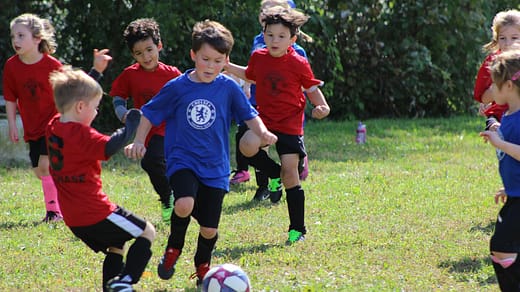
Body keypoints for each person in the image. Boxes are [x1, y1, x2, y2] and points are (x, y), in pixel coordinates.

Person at [124, 20, 277, 287]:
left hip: (216, 166)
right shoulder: (177, 86)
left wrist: (263, 133)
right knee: (184, 204)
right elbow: (148, 113)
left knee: (209, 228)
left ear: (226, 60)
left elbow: (250, 115)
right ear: (193, 55)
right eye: (205, 59)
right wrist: (139, 141)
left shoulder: (228, 87)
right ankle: (173, 249)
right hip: (183, 160)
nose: (210, 66)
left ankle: (202, 266)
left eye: (218, 61)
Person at [225, 6, 330, 244]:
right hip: (265, 121)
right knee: (246, 145)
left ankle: (297, 229)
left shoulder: (298, 62)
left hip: (290, 125)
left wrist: (322, 107)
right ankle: (273, 174)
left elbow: (311, 88)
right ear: (263, 35)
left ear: (292, 40)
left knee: (291, 174)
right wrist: (228, 67)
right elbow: (251, 75)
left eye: (281, 36)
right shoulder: (258, 57)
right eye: (270, 35)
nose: (275, 40)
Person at [46, 67, 155, 292]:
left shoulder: (53, 125)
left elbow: (72, 97)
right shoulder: (82, 135)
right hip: (96, 212)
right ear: (80, 107)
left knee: (117, 245)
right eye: (95, 108)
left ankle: (110, 288)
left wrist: (94, 74)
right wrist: (131, 126)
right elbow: (111, 146)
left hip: (72, 218)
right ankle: (125, 282)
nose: (96, 113)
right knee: (147, 231)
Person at [3, 13, 111, 222]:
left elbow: (73, 87)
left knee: (45, 166)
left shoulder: (52, 65)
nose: (15, 41)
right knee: (39, 170)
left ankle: (54, 213)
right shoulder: (11, 66)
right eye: (13, 36)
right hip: (32, 127)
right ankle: (63, 202)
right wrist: (12, 125)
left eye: (21, 35)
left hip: (54, 123)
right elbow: (10, 97)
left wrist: (96, 70)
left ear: (37, 39)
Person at [230, 0, 313, 203]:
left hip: (288, 115)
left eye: (275, 7)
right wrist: (239, 78)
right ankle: (264, 186)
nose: (268, 11)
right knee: (254, 145)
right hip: (261, 107)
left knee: (290, 167)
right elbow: (253, 72)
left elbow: (306, 84)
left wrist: (317, 103)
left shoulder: (298, 53)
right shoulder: (259, 43)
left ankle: (292, 170)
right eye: (264, 8)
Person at [110, 18, 182, 222]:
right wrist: (123, 114)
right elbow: (118, 97)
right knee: (152, 164)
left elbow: (184, 99)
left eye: (150, 49)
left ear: (159, 46)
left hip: (169, 129)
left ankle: (172, 198)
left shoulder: (173, 74)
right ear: (133, 54)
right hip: (145, 130)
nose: (146, 56)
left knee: (152, 161)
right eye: (139, 53)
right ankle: (168, 197)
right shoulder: (130, 75)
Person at [480, 49, 520, 291]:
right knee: (504, 247)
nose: (491, 92)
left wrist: (500, 143)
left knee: (502, 246)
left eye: (494, 86)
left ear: (508, 85)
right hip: (516, 195)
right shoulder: (507, 116)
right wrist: (511, 186)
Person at [474, 9, 520, 131]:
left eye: (514, 38)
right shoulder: (494, 63)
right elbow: (483, 97)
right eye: (502, 38)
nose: (507, 43)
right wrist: (500, 85)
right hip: (498, 116)